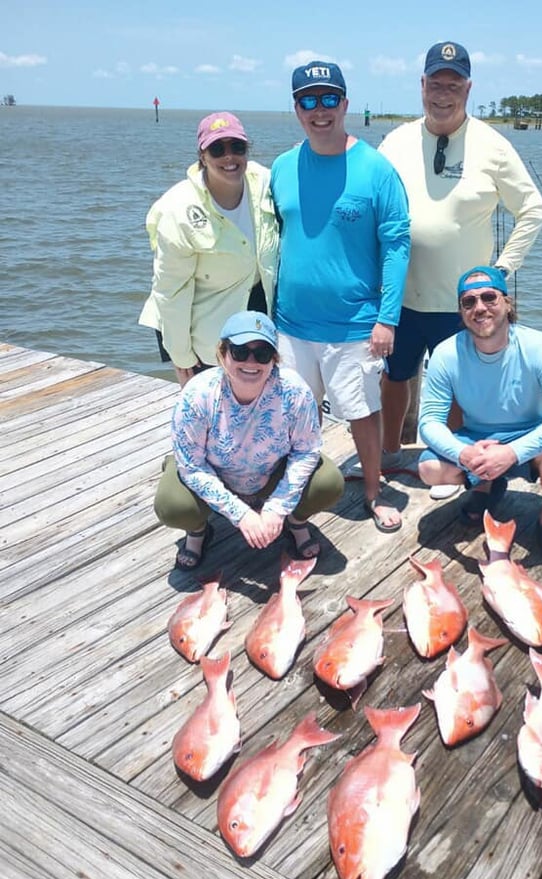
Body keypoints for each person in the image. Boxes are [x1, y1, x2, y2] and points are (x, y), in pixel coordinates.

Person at [378, 42, 542, 486]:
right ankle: (390, 451)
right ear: (422, 86)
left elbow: (533, 210)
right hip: (401, 295)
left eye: (453, 84)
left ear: (468, 89)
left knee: (456, 385)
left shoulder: (493, 145)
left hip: (462, 302)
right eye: (436, 83)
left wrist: (502, 271)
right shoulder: (395, 141)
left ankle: (450, 464)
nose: (443, 93)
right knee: (394, 377)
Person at [270, 61, 411, 533]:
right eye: (308, 101)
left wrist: (386, 318)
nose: (319, 110)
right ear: (296, 109)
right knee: (292, 417)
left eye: (329, 99)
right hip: (290, 323)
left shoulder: (376, 169)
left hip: (355, 324)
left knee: (362, 415)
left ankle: (373, 492)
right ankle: (294, 492)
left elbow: (396, 246)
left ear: (346, 104)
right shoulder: (283, 167)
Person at [154, 310, 345, 570]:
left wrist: (277, 507)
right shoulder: (197, 394)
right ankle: (198, 532)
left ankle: (295, 522)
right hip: (215, 471)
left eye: (262, 353)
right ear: (223, 354)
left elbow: (306, 451)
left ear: (274, 359)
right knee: (173, 505)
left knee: (329, 481)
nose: (251, 362)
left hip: (269, 474)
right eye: (240, 352)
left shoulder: (295, 390)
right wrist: (240, 513)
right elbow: (192, 466)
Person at [417, 267, 542, 564]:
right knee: (429, 468)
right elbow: (429, 421)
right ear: (461, 311)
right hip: (476, 438)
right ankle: (486, 485)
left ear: (508, 303)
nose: (479, 308)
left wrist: (512, 453)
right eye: (469, 302)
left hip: (530, 436)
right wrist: (464, 453)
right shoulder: (445, 353)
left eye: (489, 297)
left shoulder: (538, 345)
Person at [139, 112, 279, 388]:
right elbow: (170, 293)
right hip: (203, 337)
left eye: (237, 147)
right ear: (202, 156)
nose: (229, 157)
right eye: (217, 149)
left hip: (257, 327)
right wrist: (181, 357)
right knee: (213, 421)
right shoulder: (177, 209)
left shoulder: (264, 182)